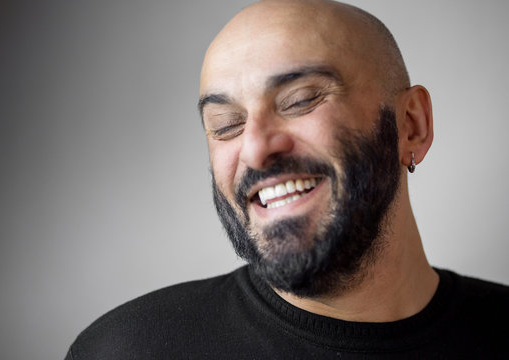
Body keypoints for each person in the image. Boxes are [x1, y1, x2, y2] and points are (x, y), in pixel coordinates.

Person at [65, 0, 509, 358]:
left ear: (411, 125)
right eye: (225, 124)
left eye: (300, 100)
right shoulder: (125, 350)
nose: (256, 148)